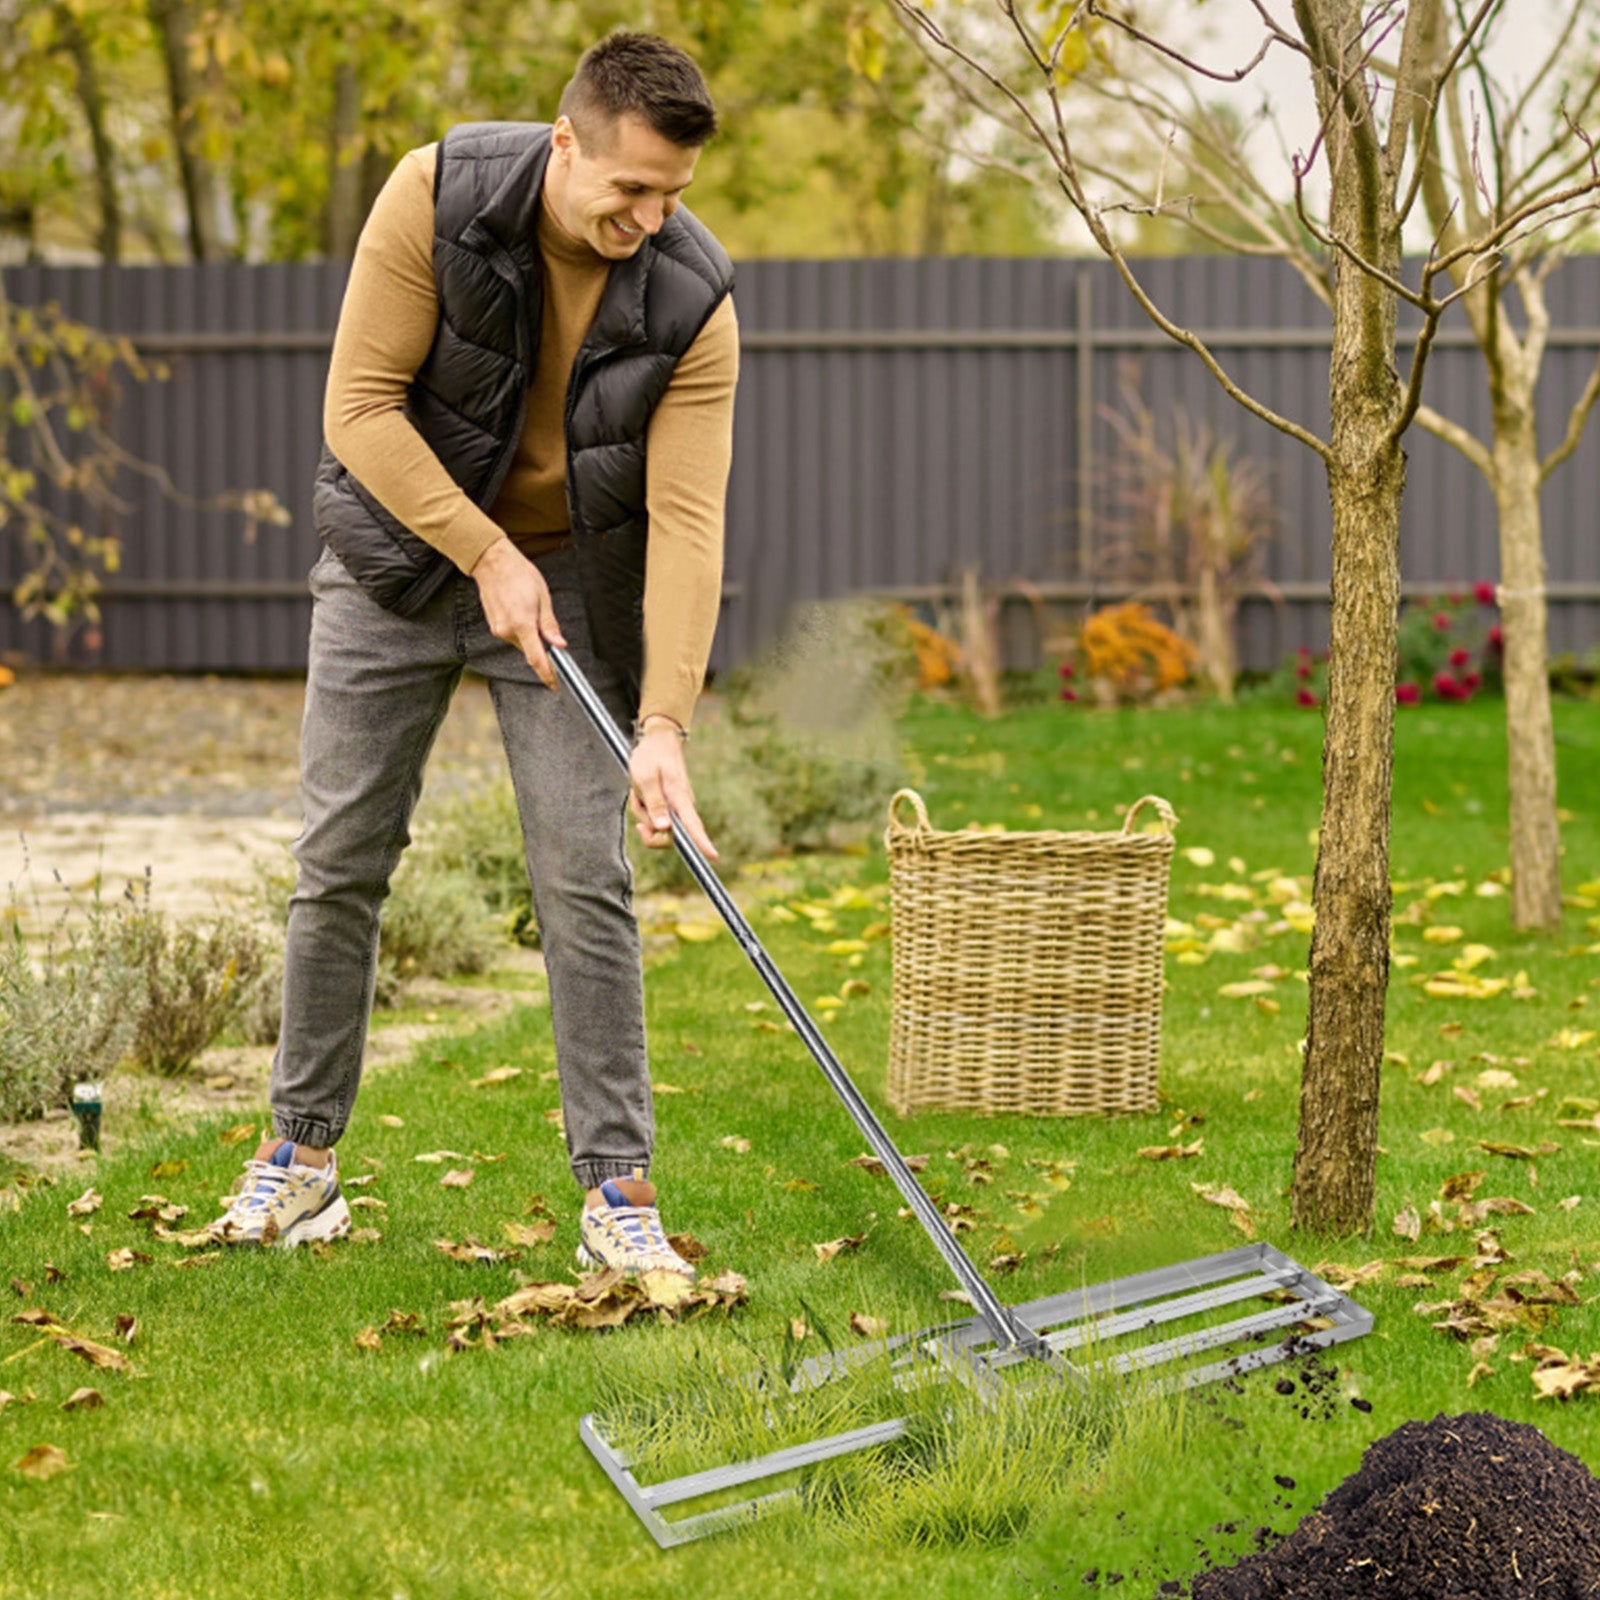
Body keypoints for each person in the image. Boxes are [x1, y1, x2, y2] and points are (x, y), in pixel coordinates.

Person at [208, 31, 738, 1279]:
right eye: (630, 192)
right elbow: (358, 409)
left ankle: (618, 1188)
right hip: (397, 558)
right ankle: (303, 1160)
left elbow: (687, 521)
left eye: (673, 196)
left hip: (557, 584)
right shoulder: (436, 194)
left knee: (582, 875)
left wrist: (665, 724)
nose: (651, 220)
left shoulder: (693, 297)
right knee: (339, 858)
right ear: (567, 145)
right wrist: (482, 551)